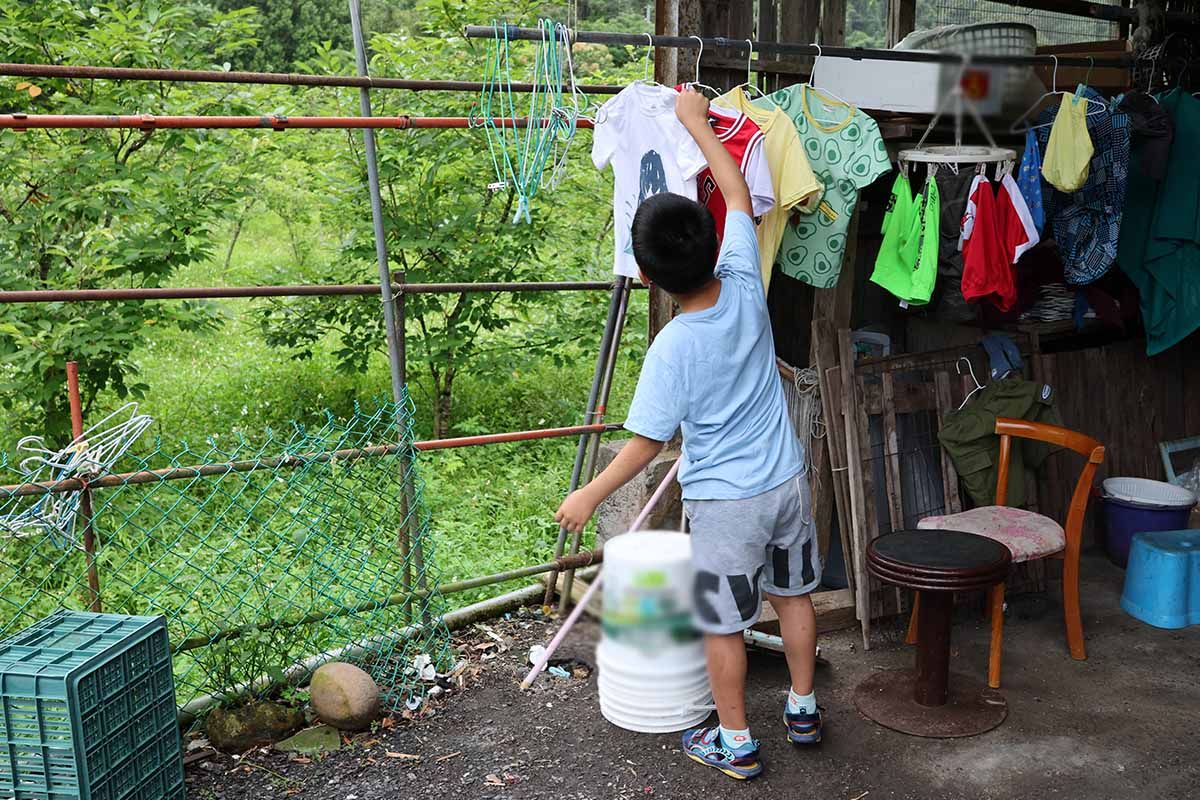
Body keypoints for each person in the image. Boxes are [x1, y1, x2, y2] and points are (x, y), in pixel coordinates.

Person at [555, 86, 822, 781]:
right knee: (794, 596)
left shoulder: (671, 348)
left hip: (727, 506)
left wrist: (588, 494)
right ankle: (803, 708)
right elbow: (736, 192)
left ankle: (736, 743)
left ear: (646, 275)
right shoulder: (743, 277)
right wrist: (698, 123)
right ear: (710, 238)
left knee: (722, 624)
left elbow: (646, 444)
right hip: (787, 480)